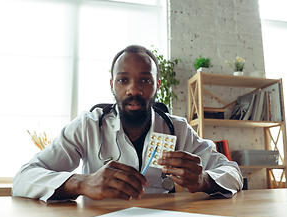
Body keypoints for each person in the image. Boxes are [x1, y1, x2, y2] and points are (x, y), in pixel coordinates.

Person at [12, 45, 243, 203]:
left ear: (157, 85)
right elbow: (23, 178)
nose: (134, 89)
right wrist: (81, 183)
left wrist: (203, 181)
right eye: (123, 80)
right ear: (112, 85)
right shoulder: (88, 126)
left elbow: (233, 172)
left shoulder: (178, 129)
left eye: (145, 80)